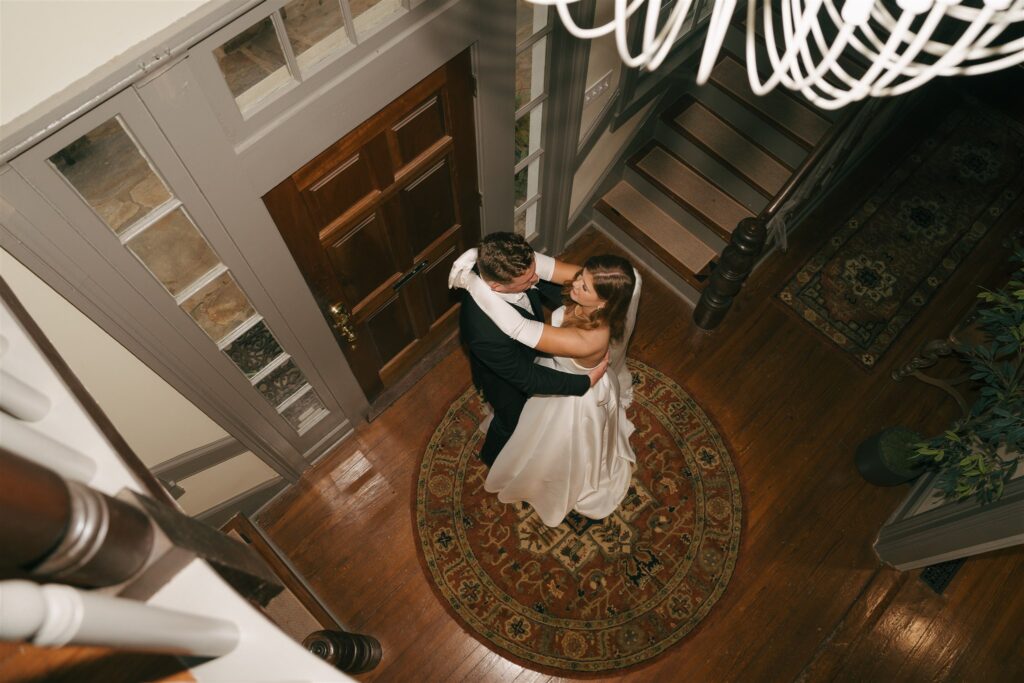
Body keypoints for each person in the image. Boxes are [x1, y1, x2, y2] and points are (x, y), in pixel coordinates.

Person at [451, 252, 641, 527]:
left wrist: (471, 282)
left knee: (556, 448)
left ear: (603, 303)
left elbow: (520, 328)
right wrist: (479, 255)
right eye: (580, 276)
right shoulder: (592, 289)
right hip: (562, 374)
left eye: (584, 287)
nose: (575, 284)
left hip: (574, 400)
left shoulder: (588, 338)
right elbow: (542, 265)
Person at [455, 233, 608, 468]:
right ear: (496, 286)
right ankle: (491, 458)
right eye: (527, 281)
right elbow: (528, 378)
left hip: (528, 354)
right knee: (509, 420)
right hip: (504, 380)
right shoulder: (484, 334)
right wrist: (584, 383)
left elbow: (546, 282)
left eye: (534, 271)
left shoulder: (508, 263)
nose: (536, 279)